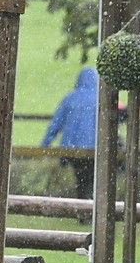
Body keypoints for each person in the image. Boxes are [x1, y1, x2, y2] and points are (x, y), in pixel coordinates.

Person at [41, 66, 99, 203]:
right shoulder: (100, 99)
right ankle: (89, 208)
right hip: (94, 148)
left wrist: (45, 144)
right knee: (90, 178)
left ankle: (82, 208)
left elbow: (56, 123)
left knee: (81, 177)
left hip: (72, 148)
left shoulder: (70, 98)